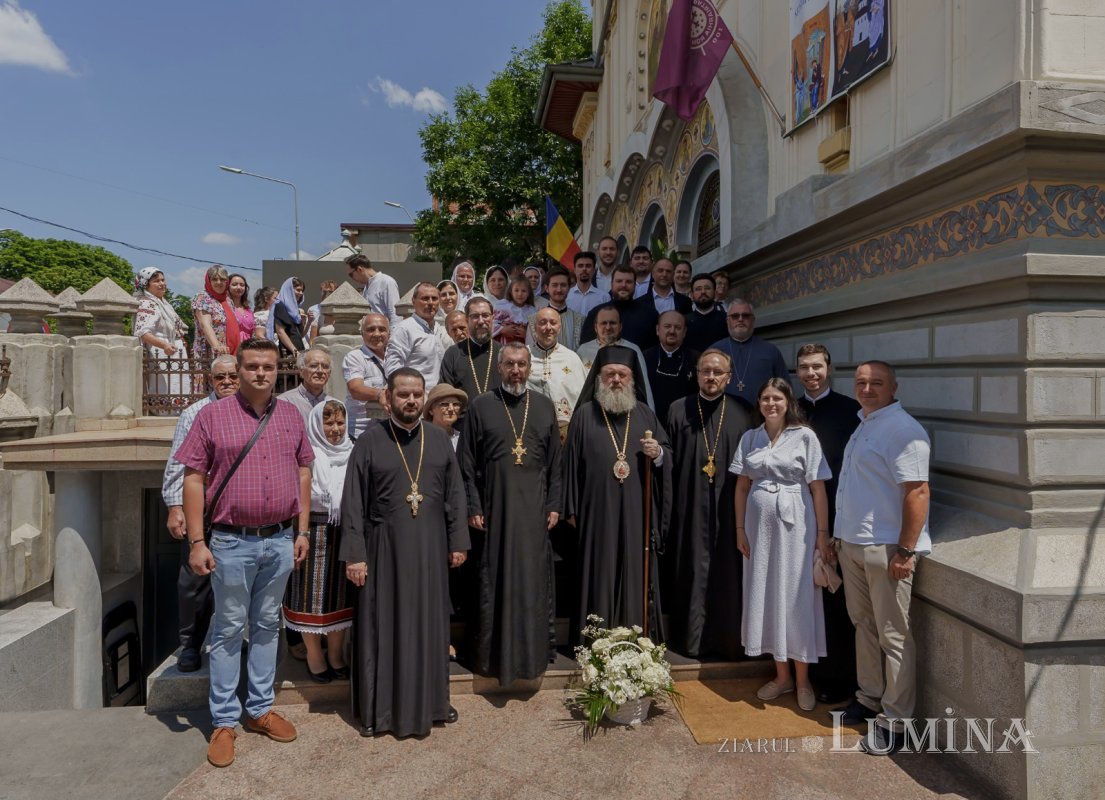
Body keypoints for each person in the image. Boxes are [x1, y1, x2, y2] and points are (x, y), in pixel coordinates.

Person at [175, 338, 313, 769]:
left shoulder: (291, 414)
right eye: (252, 366)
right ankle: (223, 720)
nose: (260, 373)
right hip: (231, 541)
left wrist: (302, 529)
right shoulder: (212, 415)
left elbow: (304, 471)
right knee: (229, 628)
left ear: (278, 370)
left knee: (269, 624)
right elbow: (193, 478)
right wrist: (197, 541)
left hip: (278, 539)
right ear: (238, 369)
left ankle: (259, 708)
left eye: (268, 367)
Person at [340, 368, 469, 737]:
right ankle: (379, 713)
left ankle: (434, 704)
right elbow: (353, 501)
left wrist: (458, 540)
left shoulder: (440, 440)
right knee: (386, 627)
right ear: (388, 398)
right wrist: (355, 555)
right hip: (383, 551)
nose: (411, 401)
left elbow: (455, 495)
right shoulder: (369, 441)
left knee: (430, 626)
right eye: (403, 394)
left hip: (430, 547)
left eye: (416, 394)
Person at [833, 360, 931, 756]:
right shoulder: (866, 422)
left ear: (894, 386)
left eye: (876, 383)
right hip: (853, 544)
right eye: (861, 382)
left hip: (886, 547)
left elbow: (918, 492)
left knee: (893, 636)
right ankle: (870, 697)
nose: (867, 388)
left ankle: (896, 721)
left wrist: (906, 551)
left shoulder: (903, 429)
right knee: (864, 626)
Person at [459, 343, 561, 685]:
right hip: (492, 512)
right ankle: (491, 658)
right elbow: (466, 464)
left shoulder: (544, 406)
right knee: (493, 581)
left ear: (529, 367)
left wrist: (554, 505)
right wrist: (473, 506)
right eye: (509, 365)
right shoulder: (481, 406)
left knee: (532, 582)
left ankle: (532, 657)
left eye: (521, 364)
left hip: (533, 513)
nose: (515, 370)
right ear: (499, 368)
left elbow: (555, 466)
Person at [731, 378, 831, 713]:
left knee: (796, 596)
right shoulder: (750, 438)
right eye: (765, 398)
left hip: (798, 529)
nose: (771, 404)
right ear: (758, 403)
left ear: (788, 401)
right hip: (759, 532)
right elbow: (742, 488)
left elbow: (817, 488)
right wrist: (740, 529)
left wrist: (822, 534)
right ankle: (782, 675)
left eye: (777, 398)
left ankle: (803, 680)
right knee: (768, 593)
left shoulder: (805, 437)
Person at [562, 346, 671, 637]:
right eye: (610, 374)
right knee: (598, 570)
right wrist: (571, 508)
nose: (616, 380)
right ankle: (595, 638)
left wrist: (658, 452)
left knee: (634, 569)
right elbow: (569, 464)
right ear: (599, 378)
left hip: (636, 510)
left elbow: (668, 455)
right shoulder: (585, 415)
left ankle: (633, 636)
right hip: (595, 511)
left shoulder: (645, 414)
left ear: (632, 379)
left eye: (623, 374)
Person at [665, 350, 751, 659]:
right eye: (706, 371)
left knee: (726, 573)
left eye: (718, 372)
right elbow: (668, 462)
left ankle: (725, 641)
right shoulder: (678, 410)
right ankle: (689, 641)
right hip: (688, 507)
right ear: (696, 374)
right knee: (691, 569)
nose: (711, 377)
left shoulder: (743, 414)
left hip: (729, 511)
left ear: (729, 377)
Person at [161, 355, 239, 672]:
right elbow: (177, 464)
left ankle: (233, 637)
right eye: (220, 377)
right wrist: (174, 506)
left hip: (238, 508)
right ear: (211, 380)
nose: (227, 382)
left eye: (233, 376)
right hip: (202, 508)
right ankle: (190, 645)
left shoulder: (252, 410)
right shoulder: (195, 413)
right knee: (194, 582)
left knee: (236, 578)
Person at [796, 343, 862, 704]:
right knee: (807, 596)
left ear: (829, 368)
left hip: (838, 517)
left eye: (817, 366)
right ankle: (810, 674)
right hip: (797, 518)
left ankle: (841, 678)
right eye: (804, 367)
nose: (811, 373)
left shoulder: (851, 411)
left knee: (837, 600)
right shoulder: (791, 410)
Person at [284, 400, 353, 683]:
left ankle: (336, 654)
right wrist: (301, 533)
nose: (335, 429)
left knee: (340, 593)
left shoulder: (354, 450)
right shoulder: (304, 454)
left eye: (339, 423)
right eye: (329, 423)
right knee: (309, 596)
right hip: (310, 529)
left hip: (345, 530)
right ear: (315, 424)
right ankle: (314, 655)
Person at [709, 299, 789, 411]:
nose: (740, 319)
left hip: (762, 417)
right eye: (735, 316)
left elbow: (785, 388)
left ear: (753, 320)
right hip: (723, 418)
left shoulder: (770, 351)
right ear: (727, 321)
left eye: (745, 316)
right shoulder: (714, 351)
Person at [134, 267, 191, 412]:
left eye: (163, 280)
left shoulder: (164, 303)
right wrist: (164, 345)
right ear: (146, 284)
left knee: (178, 387)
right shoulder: (147, 303)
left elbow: (179, 327)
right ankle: (165, 415)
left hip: (172, 351)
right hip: (161, 352)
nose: (161, 283)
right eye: (156, 281)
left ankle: (178, 414)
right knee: (165, 388)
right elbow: (143, 332)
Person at [576, 306, 655, 411]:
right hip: (593, 412)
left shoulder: (633, 350)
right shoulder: (583, 350)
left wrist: (649, 415)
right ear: (595, 327)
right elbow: (578, 388)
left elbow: (644, 388)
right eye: (604, 323)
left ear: (620, 326)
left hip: (625, 410)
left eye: (612, 323)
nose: (608, 327)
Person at [527, 307, 586, 440]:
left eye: (553, 323)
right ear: (535, 327)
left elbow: (583, 399)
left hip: (566, 433)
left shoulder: (572, 359)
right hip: (530, 430)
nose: (548, 327)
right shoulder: (524, 357)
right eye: (542, 322)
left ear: (559, 327)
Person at [580, 265, 659, 350]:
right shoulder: (596, 314)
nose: (623, 285)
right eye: (619, 281)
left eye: (628, 282)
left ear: (635, 285)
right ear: (612, 284)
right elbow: (586, 348)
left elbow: (656, 350)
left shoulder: (650, 315)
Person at [384, 281, 444, 391]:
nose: (430, 303)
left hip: (438, 398)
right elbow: (392, 368)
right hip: (416, 398)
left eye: (434, 299)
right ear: (413, 301)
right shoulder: (405, 329)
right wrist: (409, 392)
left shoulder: (440, 329)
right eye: (425, 298)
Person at [439, 297, 502, 401]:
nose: (481, 321)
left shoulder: (505, 353)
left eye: (485, 315)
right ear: (467, 320)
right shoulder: (453, 354)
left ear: (492, 318)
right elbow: (446, 394)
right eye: (475, 316)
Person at [643, 310, 698, 423]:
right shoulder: (643, 358)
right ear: (658, 330)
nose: (672, 331)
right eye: (667, 326)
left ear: (684, 332)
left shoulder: (697, 359)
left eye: (677, 327)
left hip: (685, 423)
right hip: (651, 422)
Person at [343, 313, 389, 440]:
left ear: (389, 333)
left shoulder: (395, 357)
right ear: (362, 333)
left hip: (390, 431)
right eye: (370, 329)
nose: (376, 334)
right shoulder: (355, 357)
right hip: (360, 433)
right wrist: (381, 394)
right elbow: (356, 389)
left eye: (382, 329)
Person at [192, 265, 240, 384]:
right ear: (208, 281)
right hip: (211, 352)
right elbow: (205, 325)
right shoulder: (203, 298)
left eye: (223, 279)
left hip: (229, 351)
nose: (219, 282)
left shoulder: (227, 299)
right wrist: (217, 346)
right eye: (214, 279)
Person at [533, 266, 584, 350]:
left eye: (563, 285)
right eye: (554, 285)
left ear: (569, 288)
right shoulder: (534, 320)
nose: (559, 289)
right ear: (546, 288)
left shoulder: (580, 320)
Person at [345, 253, 401, 327]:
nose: (351, 278)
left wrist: (393, 337)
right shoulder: (366, 287)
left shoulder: (386, 282)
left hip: (384, 334)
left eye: (351, 275)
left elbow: (395, 314)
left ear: (359, 269)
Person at [278, 348, 333, 421]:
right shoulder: (284, 402)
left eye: (325, 366)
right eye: (314, 366)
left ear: (329, 373)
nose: (320, 371)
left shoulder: (335, 404)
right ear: (301, 371)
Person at [684, 274, 728, 353]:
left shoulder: (726, 319)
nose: (703, 292)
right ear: (692, 294)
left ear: (714, 292)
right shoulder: (684, 322)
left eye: (707, 288)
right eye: (698, 289)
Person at [267, 277, 307, 358]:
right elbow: (280, 331)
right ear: (289, 290)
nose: (301, 293)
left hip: (299, 351)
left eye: (302, 291)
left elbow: (300, 335)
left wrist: (309, 321)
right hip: (288, 353)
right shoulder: (280, 305)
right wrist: (295, 352)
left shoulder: (295, 310)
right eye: (298, 290)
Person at [492, 277, 537, 344]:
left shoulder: (532, 310)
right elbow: (491, 324)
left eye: (524, 291)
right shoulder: (502, 305)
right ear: (511, 291)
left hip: (522, 347)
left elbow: (536, 333)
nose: (520, 294)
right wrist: (502, 329)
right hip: (503, 345)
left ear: (529, 293)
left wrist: (527, 334)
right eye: (516, 290)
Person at [566, 250, 610, 318]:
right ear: (574, 269)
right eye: (580, 266)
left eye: (588, 266)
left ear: (594, 270)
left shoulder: (604, 298)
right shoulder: (566, 296)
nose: (584, 269)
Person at [425, 382, 467, 451]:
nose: (451, 409)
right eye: (444, 404)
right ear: (431, 410)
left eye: (455, 404)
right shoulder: (423, 438)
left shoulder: (463, 438)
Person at [228, 273, 256, 345]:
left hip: (247, 348)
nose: (239, 287)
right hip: (230, 347)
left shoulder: (249, 310)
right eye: (234, 284)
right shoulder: (224, 307)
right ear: (228, 287)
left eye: (242, 285)